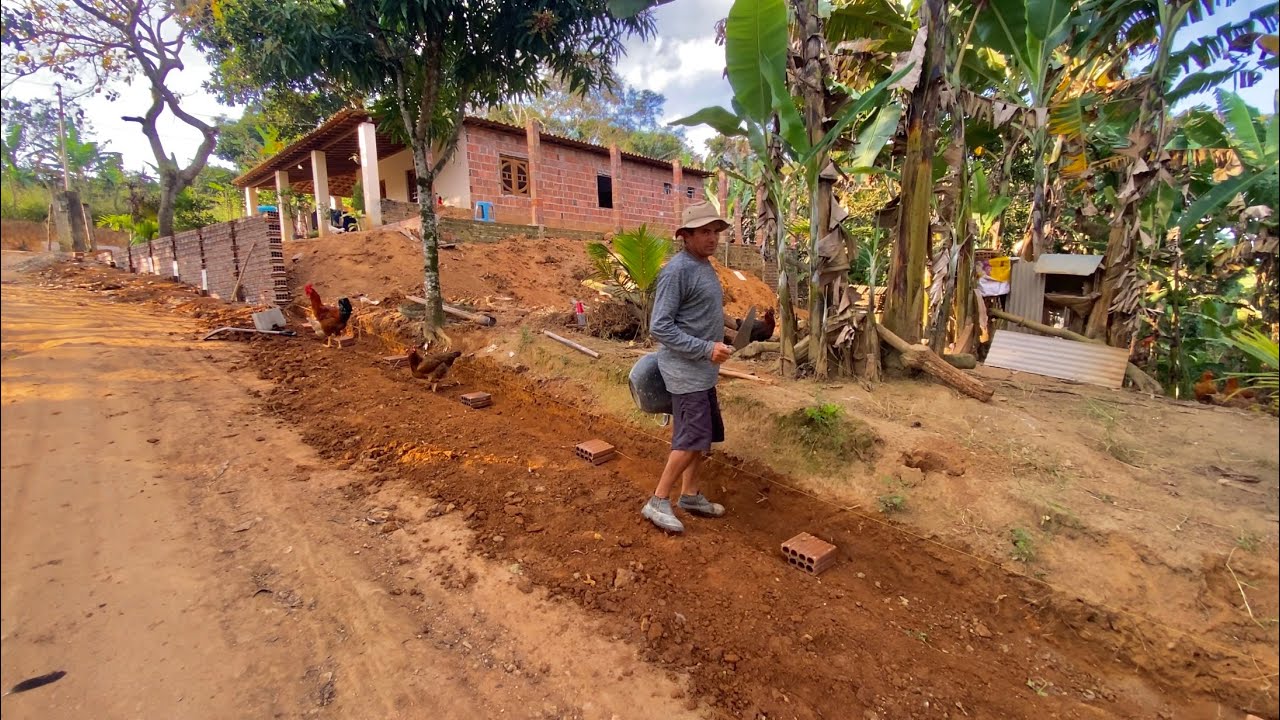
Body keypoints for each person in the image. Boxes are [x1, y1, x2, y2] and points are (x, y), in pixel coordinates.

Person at [641, 201, 735, 534]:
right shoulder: (676, 271)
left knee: (702, 436)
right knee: (690, 437)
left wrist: (732, 327)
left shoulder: (705, 266)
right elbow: (660, 326)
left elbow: (704, 310)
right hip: (684, 372)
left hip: (703, 372)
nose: (712, 238)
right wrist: (706, 348)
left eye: (715, 232)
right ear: (686, 236)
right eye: (704, 232)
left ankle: (690, 495)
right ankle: (657, 500)